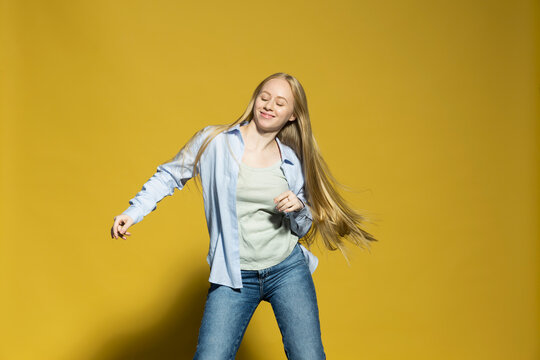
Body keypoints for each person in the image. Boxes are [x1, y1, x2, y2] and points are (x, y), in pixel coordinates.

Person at [110, 72, 377, 359]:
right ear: (255, 99)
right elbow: (170, 175)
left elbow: (301, 229)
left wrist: (300, 208)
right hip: (234, 275)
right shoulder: (215, 142)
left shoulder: (292, 161)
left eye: (280, 102)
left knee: (308, 356)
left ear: (292, 116)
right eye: (265, 97)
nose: (269, 105)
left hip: (286, 270)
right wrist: (133, 212)